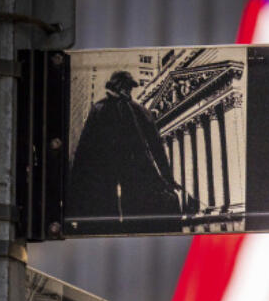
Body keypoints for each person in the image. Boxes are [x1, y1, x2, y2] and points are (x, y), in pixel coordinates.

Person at [67, 70, 183, 229]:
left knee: (136, 215)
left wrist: (168, 178)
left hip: (135, 170)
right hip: (106, 172)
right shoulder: (99, 109)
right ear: (116, 86)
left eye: (130, 88)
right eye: (126, 87)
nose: (128, 91)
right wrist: (77, 185)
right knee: (108, 214)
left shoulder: (140, 111)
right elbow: (84, 149)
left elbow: (157, 148)